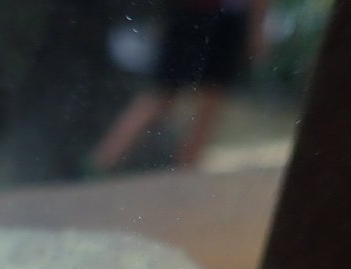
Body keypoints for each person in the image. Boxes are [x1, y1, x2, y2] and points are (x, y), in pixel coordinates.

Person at [89, 0, 268, 172]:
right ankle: (102, 162)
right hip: (210, 16)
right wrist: (257, 29)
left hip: (201, 15)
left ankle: (103, 163)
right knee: (181, 96)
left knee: (190, 96)